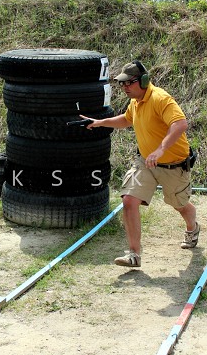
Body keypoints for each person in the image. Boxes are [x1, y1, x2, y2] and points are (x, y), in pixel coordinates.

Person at [80, 60, 199, 268]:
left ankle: (193, 227)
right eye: (122, 83)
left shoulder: (160, 98)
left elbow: (180, 124)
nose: (125, 87)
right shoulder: (136, 102)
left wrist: (161, 149)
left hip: (173, 165)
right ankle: (134, 254)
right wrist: (100, 123)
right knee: (128, 200)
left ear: (143, 80)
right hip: (145, 162)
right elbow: (127, 120)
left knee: (179, 205)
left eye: (129, 83)